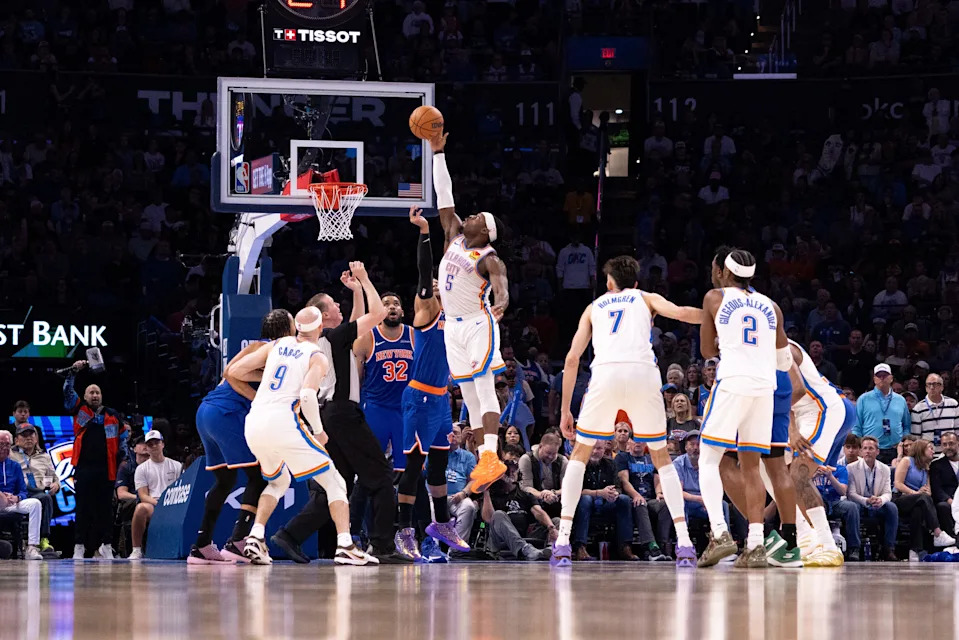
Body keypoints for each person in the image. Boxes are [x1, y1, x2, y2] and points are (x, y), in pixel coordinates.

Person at [553, 255, 703, 568]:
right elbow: (681, 313)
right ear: (635, 282)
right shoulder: (646, 298)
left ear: (609, 283)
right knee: (662, 458)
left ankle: (563, 540)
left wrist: (566, 409)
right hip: (642, 374)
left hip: (605, 374)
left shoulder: (594, 307)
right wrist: (713, 315)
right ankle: (685, 543)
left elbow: (570, 360)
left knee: (580, 455)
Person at [231, 305, 378, 566]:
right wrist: (319, 432)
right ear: (320, 327)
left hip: (254, 422)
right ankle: (345, 545)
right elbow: (308, 396)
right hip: (284, 421)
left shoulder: (277, 345)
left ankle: (255, 536)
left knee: (278, 482)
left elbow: (235, 372)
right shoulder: (317, 355)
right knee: (335, 483)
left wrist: (267, 379)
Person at [272, 263, 396, 563]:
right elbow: (375, 316)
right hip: (343, 414)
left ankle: (289, 535)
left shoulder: (321, 341)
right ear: (323, 315)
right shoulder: (334, 336)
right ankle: (382, 545)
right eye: (333, 305)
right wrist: (365, 280)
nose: (339, 306)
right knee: (380, 476)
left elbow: (355, 322)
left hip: (329, 415)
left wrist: (355, 293)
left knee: (335, 484)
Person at [697, 247, 792, 569]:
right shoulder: (772, 306)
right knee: (751, 465)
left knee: (708, 458)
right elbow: (783, 360)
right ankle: (755, 544)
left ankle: (720, 533)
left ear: (723, 270)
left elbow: (707, 350)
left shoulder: (714, 297)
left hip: (733, 380)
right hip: (765, 387)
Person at [432, 130, 510, 492]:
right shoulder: (454, 234)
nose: (472, 214)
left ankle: (492, 454)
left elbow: (501, 282)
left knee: (484, 385)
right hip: (452, 327)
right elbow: (444, 195)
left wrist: (502, 301)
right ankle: (485, 459)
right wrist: (438, 152)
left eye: (479, 216)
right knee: (469, 395)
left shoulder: (488, 257)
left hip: (480, 323)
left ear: (486, 231)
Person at [393, 207, 470, 562]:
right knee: (413, 467)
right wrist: (425, 231)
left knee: (438, 467)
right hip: (419, 398)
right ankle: (404, 530)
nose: (439, 286)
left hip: (441, 402)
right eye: (436, 286)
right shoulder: (426, 311)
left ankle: (440, 523)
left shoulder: (454, 316)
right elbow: (427, 272)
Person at [191, 309, 293, 564]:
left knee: (225, 480)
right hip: (225, 411)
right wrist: (258, 398)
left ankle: (201, 546)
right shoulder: (272, 349)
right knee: (259, 476)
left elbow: (229, 371)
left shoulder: (260, 347)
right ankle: (238, 542)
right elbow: (230, 373)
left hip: (206, 412)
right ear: (285, 330)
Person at [717, 366, 804, 568]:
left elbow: (707, 350)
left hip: (748, 382)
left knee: (728, 463)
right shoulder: (778, 336)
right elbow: (799, 388)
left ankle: (762, 537)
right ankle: (790, 546)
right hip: (780, 387)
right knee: (778, 467)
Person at [785, 339, 858, 566]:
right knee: (782, 472)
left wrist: (792, 429)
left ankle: (828, 545)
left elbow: (795, 390)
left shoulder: (779, 346)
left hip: (820, 409)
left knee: (798, 475)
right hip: (807, 411)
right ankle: (807, 539)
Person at [65, 360, 127, 560]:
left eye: (97, 392)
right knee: (82, 508)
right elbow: (67, 392)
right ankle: (79, 546)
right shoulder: (80, 410)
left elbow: (123, 437)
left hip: (106, 470)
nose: (94, 395)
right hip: (83, 469)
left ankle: (107, 545)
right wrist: (73, 372)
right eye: (91, 392)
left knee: (105, 511)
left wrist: (123, 458)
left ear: (101, 396)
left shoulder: (112, 415)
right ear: (84, 396)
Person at [353, 290, 414, 473]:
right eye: (386, 304)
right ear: (379, 310)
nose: (392, 306)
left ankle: (404, 502)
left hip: (406, 409)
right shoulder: (366, 338)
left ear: (402, 311)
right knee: (372, 466)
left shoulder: (413, 335)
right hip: (376, 408)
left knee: (408, 469)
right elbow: (356, 380)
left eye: (396, 303)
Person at [480, 445, 553, 561]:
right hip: (500, 540)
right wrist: (486, 491)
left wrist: (551, 527)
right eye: (508, 470)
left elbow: (538, 512)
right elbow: (488, 519)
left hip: (525, 537)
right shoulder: (492, 494)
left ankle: (551, 549)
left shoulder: (524, 493)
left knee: (555, 522)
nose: (511, 473)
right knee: (498, 514)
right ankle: (524, 549)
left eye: (514, 470)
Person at [892, 438, 956, 560]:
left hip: (918, 501)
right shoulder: (906, 461)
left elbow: (929, 491)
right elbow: (898, 484)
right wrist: (915, 493)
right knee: (922, 498)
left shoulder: (926, 468)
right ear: (921, 449)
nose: (933, 451)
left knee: (918, 510)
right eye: (930, 448)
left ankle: (915, 550)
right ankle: (937, 532)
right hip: (901, 498)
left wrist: (925, 492)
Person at [129, 430, 182, 560]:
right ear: (146, 448)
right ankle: (136, 549)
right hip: (154, 503)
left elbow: (182, 488)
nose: (153, 446)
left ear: (162, 444)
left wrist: (170, 502)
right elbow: (143, 495)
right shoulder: (141, 469)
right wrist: (158, 503)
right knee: (140, 508)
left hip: (174, 503)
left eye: (156, 443)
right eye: (150, 444)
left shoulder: (177, 466)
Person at [615, 438, 671, 560]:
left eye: (640, 440)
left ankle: (662, 545)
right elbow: (624, 480)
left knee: (665, 505)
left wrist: (659, 493)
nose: (637, 443)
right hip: (631, 498)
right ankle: (651, 547)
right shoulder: (622, 457)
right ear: (628, 442)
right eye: (634, 440)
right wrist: (636, 495)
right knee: (640, 504)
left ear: (645, 443)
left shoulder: (651, 458)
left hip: (650, 498)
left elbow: (657, 479)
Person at [846, 436, 899, 561]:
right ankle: (854, 548)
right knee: (852, 507)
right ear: (861, 451)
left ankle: (889, 549)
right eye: (865, 448)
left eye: (871, 448)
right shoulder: (851, 468)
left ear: (877, 451)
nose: (867, 451)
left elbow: (888, 492)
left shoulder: (885, 469)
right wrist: (866, 501)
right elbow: (851, 493)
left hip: (876, 504)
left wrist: (880, 500)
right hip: (859, 503)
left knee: (892, 507)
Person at [10, 424, 58, 553]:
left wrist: (56, 485)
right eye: (24, 435)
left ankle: (43, 539)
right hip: (18, 493)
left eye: (31, 435)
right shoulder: (10, 454)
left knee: (46, 498)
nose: (28, 438)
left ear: (36, 439)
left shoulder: (45, 457)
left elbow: (54, 478)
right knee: (32, 489)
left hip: (39, 494)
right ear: (16, 440)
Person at [855, 364, 911, 464]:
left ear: (891, 378)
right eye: (879, 376)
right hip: (871, 450)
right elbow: (856, 426)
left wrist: (904, 444)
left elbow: (906, 425)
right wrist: (860, 448)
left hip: (895, 449)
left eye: (885, 375)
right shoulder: (863, 399)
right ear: (874, 379)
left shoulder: (900, 400)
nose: (882, 378)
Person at [0, 431, 43, 560]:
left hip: (11, 503)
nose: (5, 448)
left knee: (36, 503)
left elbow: (23, 491)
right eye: (1, 444)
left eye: (7, 444)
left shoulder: (15, 466)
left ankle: (32, 547)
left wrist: (17, 498)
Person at [444, 423, 478, 548]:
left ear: (460, 437)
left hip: (457, 497)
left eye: (456, 432)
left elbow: (473, 480)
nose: (453, 435)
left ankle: (456, 548)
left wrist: (464, 493)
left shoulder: (468, 456)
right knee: (430, 508)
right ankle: (433, 548)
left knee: (469, 506)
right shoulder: (435, 452)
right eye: (450, 432)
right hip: (435, 496)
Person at [519, 432, 568, 519]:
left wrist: (553, 493)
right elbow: (526, 487)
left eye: (554, 454)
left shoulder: (563, 461)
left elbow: (565, 488)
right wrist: (542, 495)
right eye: (548, 453)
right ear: (540, 446)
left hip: (555, 499)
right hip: (533, 501)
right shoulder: (526, 459)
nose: (550, 456)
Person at [911, 373, 959, 451]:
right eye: (929, 384)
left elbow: (958, 432)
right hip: (928, 455)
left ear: (942, 387)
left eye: (935, 384)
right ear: (926, 388)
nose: (932, 387)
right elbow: (916, 438)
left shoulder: (953, 404)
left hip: (950, 452)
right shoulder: (918, 408)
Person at [930, 431, 959, 534]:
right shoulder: (936, 465)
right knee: (943, 506)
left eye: (951, 443)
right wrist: (951, 501)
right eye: (944, 444)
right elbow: (937, 489)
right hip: (948, 500)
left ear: (958, 443)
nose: (947, 447)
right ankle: (952, 539)